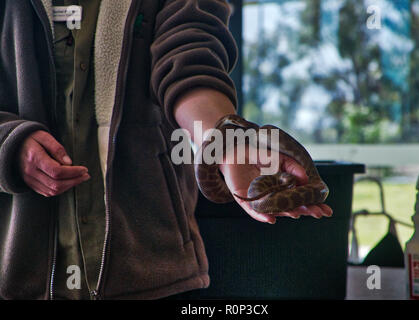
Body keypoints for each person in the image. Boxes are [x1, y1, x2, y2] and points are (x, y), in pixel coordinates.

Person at [0, 0, 332, 300]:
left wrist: (224, 142)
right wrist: (8, 144)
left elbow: (190, 56)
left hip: (152, 275)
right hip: (16, 271)